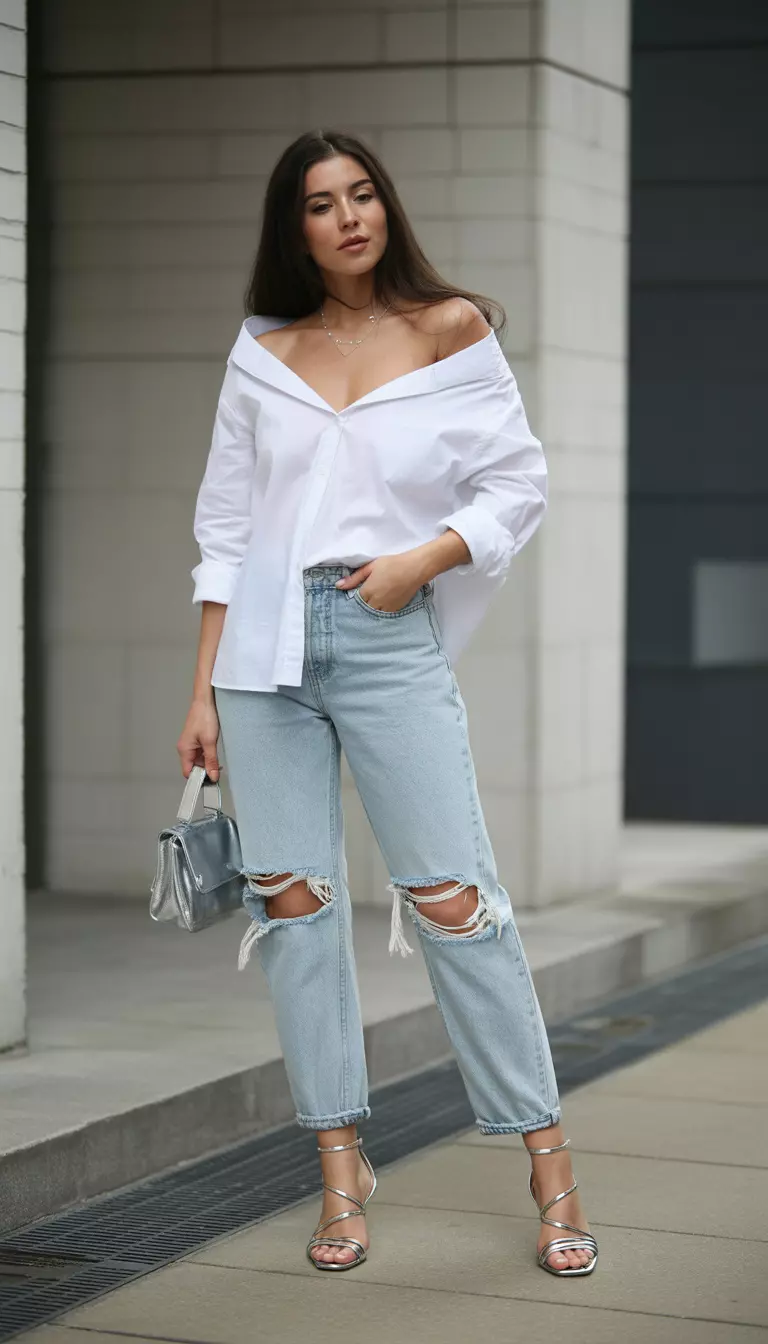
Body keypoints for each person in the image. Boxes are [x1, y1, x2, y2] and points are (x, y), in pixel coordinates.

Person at [177, 129, 597, 1279]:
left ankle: (550, 1166)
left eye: (363, 193)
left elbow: (521, 483)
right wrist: (203, 689)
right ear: (294, 227)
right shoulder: (263, 353)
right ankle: (339, 1172)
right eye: (321, 202)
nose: (348, 215)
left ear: (385, 207)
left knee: (457, 901)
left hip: (382, 631)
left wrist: (430, 556)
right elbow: (223, 530)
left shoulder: (452, 329)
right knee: (298, 911)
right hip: (261, 654)